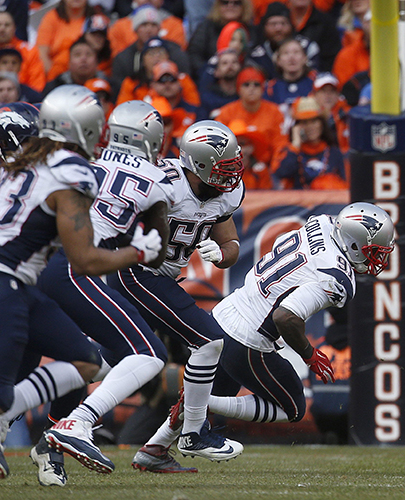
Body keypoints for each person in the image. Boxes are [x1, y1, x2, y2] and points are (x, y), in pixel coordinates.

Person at [136, 202, 394, 461]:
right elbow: (286, 317)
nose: (379, 259)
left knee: (210, 396)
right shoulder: (337, 277)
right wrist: (309, 355)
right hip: (248, 339)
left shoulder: (322, 223)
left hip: (225, 313)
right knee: (293, 407)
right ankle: (198, 405)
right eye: (375, 251)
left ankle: (153, 450)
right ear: (352, 243)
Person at [0, 86, 163, 481]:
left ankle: (36, 430)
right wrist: (138, 252)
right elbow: (85, 259)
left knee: (85, 359)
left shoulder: (20, 167)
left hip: (23, 285)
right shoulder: (69, 171)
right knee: (6, 390)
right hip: (8, 284)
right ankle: (69, 426)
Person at [99, 120, 247, 473]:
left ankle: (21, 410)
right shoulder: (163, 182)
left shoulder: (224, 194)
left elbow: (231, 244)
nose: (232, 174)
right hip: (136, 271)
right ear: (198, 164)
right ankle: (194, 433)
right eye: (223, 167)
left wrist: (220, 254)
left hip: (160, 279)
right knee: (209, 340)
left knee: (98, 361)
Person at [273, 96, 347, 189]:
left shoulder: (335, 153)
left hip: (328, 202)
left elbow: (345, 187)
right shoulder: (290, 152)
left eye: (314, 121)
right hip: (297, 202)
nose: (310, 126)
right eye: (304, 122)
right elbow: (281, 173)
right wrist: (296, 144)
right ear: (297, 127)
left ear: (321, 123)